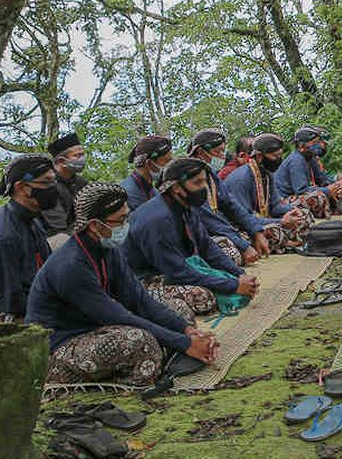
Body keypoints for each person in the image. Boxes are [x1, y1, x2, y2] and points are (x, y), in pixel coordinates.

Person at [26, 182, 218, 386]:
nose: (126, 224)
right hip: (61, 347)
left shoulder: (109, 250)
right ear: (95, 225)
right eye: (120, 220)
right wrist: (184, 343)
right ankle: (136, 373)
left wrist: (187, 332)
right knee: (139, 342)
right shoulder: (70, 266)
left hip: (100, 329)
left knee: (179, 310)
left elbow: (139, 299)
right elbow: (115, 315)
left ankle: (169, 353)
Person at [125, 158, 259, 316]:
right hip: (147, 279)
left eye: (204, 182)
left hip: (178, 266)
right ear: (176, 188)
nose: (204, 188)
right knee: (202, 297)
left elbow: (206, 246)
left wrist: (239, 274)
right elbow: (177, 272)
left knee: (230, 264)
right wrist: (232, 285)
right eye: (197, 183)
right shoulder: (157, 220)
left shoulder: (185, 206)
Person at [187, 129, 272, 264]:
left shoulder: (210, 174)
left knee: (269, 234)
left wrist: (256, 231)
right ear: (200, 152)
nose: (222, 156)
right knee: (230, 253)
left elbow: (232, 205)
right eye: (218, 152)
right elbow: (208, 220)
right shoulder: (189, 178)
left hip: (222, 228)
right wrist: (243, 245)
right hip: (199, 234)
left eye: (223, 151)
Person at [222, 134, 314, 251]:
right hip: (241, 226)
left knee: (304, 214)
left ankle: (290, 241)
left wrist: (292, 211)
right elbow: (244, 219)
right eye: (275, 156)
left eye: (280, 155)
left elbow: (275, 206)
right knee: (273, 232)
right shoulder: (241, 179)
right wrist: (281, 222)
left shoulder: (267, 174)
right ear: (260, 156)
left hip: (262, 219)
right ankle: (288, 243)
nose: (279, 160)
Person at [0, 155, 56, 322]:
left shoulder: (33, 222)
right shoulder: (6, 235)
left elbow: (49, 273)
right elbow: (12, 302)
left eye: (54, 182)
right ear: (23, 187)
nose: (53, 188)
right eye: (47, 183)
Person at [276, 125, 342, 216]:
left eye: (317, 142)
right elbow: (302, 190)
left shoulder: (310, 159)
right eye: (314, 142)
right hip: (284, 200)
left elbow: (322, 179)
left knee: (340, 192)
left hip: (297, 197)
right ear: (301, 146)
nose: (317, 145)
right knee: (316, 198)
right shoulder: (296, 161)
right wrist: (328, 191)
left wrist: (339, 181)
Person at [41, 131, 89, 236]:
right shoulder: (47, 188)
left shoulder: (81, 183)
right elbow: (57, 229)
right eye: (78, 155)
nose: (83, 159)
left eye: (83, 154)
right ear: (61, 161)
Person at [121, 135, 173, 213]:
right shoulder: (127, 194)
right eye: (166, 161)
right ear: (148, 163)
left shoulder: (152, 190)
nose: (170, 166)